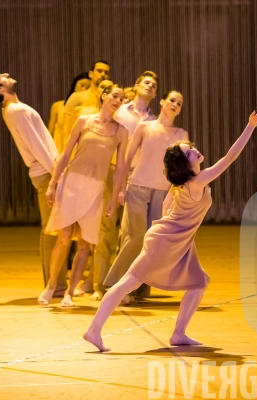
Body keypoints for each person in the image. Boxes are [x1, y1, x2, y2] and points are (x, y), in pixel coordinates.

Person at [84, 110, 257, 352]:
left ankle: (179, 333)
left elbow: (165, 205)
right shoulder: (198, 181)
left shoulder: (180, 184)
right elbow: (230, 157)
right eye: (188, 152)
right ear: (185, 163)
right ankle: (94, 331)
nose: (194, 151)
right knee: (128, 282)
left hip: (178, 241)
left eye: (191, 148)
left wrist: (171, 225)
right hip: (168, 240)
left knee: (198, 283)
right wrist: (250, 126)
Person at [0, 69, 68, 296]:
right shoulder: (16, 110)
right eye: (2, 77)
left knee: (50, 229)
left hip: (46, 171)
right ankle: (55, 285)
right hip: (46, 172)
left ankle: (54, 282)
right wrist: (56, 175)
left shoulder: (12, 109)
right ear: (0, 89)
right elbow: (38, 146)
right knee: (53, 230)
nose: (7, 74)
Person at [38, 85, 129, 308]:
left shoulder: (121, 132)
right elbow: (66, 153)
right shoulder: (83, 121)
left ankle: (70, 292)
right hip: (72, 182)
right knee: (64, 236)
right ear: (104, 96)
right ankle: (50, 286)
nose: (118, 100)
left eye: (122, 98)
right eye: (115, 96)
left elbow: (120, 169)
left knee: (85, 244)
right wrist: (52, 183)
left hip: (96, 187)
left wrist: (114, 198)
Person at [102, 91, 188, 303]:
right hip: (138, 188)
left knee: (153, 243)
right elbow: (126, 159)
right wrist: (120, 189)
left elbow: (187, 168)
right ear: (162, 102)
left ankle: (138, 288)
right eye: (171, 100)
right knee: (136, 236)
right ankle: (115, 285)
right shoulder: (144, 127)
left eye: (179, 103)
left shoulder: (181, 134)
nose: (175, 104)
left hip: (164, 192)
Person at [89, 71, 159, 301]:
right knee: (107, 229)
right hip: (112, 171)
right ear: (136, 85)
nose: (149, 86)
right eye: (146, 82)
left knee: (134, 234)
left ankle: (131, 286)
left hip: (139, 178)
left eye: (154, 85)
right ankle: (100, 284)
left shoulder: (154, 120)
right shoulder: (120, 110)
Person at [62, 61, 111, 143]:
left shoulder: (111, 100)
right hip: (79, 146)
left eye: (106, 72)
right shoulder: (77, 97)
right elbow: (66, 129)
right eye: (99, 71)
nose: (103, 74)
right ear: (90, 74)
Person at [48, 73, 91, 153]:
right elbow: (50, 131)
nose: (83, 89)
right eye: (82, 85)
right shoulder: (57, 106)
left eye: (88, 87)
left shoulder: (87, 111)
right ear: (75, 85)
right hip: (57, 148)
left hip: (78, 149)